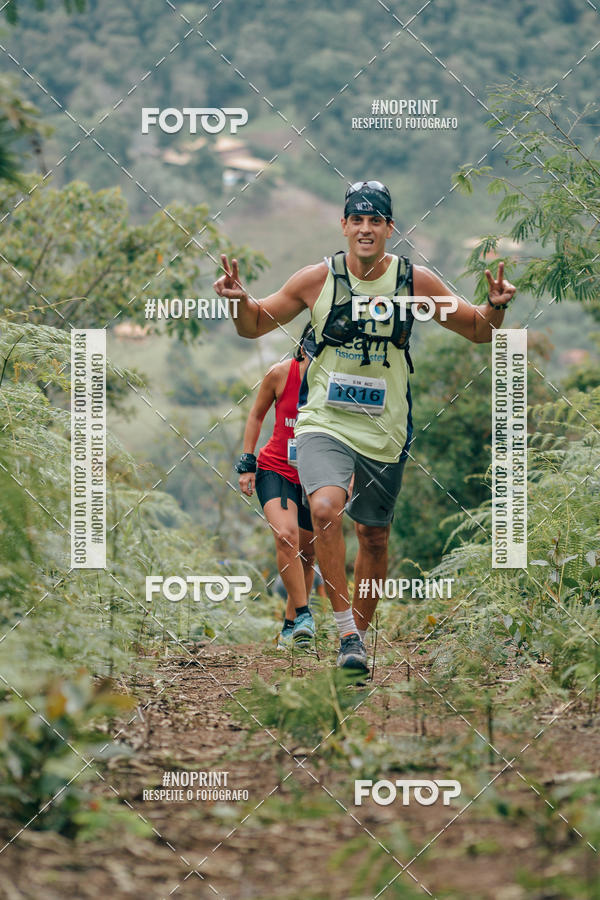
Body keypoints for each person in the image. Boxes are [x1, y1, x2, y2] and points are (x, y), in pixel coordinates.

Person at [217, 180, 516, 673]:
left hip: (385, 427)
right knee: (326, 507)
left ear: (389, 228)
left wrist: (496, 306)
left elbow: (478, 330)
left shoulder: (414, 282)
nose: (365, 228)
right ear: (343, 225)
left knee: (374, 536)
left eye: (375, 220)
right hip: (324, 422)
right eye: (356, 219)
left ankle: (357, 643)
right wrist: (236, 300)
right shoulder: (316, 279)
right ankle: (345, 633)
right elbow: (253, 325)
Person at [235, 326, 317, 649]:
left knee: (308, 553)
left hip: (314, 476)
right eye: (315, 355)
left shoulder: (333, 385)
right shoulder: (279, 375)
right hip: (275, 469)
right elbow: (255, 416)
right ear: (302, 351)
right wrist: (247, 462)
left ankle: (290, 628)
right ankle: (304, 615)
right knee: (286, 537)